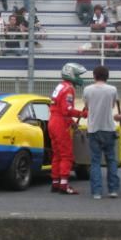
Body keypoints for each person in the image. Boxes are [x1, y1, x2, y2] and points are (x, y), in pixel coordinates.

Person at [48, 63, 88, 195]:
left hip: (52, 121)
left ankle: (55, 183)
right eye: (77, 75)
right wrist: (81, 114)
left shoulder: (60, 86)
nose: (79, 78)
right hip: (60, 123)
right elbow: (67, 109)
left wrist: (71, 121)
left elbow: (58, 108)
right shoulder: (69, 88)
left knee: (57, 154)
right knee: (66, 155)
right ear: (71, 74)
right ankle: (64, 185)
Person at [83, 65, 119, 199]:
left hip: (93, 129)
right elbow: (112, 106)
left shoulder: (87, 89)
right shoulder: (113, 89)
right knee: (111, 160)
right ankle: (113, 190)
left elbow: (86, 106)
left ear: (94, 75)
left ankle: (97, 192)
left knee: (95, 161)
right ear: (107, 76)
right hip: (109, 128)